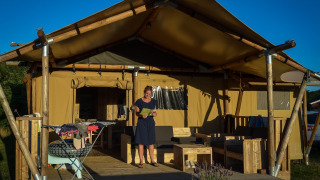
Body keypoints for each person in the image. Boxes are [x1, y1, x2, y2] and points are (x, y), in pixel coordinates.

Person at [134, 86, 158, 168]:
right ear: (144, 92)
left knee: (151, 142)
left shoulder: (153, 101)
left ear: (151, 94)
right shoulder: (139, 101)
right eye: (147, 93)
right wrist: (141, 114)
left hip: (150, 123)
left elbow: (155, 113)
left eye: (149, 94)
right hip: (142, 123)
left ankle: (152, 160)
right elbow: (136, 113)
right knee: (141, 142)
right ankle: (141, 161)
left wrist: (152, 113)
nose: (148, 95)